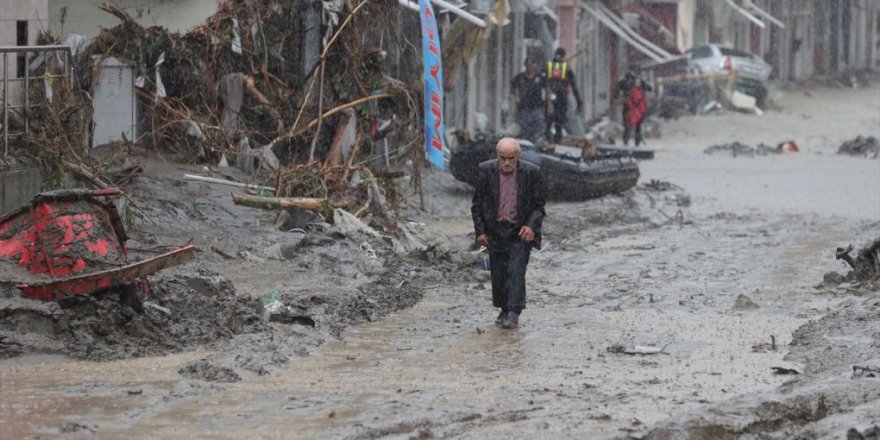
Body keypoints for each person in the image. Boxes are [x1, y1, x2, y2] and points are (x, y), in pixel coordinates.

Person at [471, 138, 546, 329]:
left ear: (518, 157)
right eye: (503, 158)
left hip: (519, 230)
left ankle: (514, 312)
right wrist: (480, 232)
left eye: (511, 158)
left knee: (516, 269)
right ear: (497, 156)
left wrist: (530, 226)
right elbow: (477, 204)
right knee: (499, 271)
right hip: (495, 229)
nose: (507, 163)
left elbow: (539, 206)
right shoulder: (485, 171)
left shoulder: (531, 173)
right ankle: (503, 308)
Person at [545, 48, 584, 143]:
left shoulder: (548, 66)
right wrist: (579, 102)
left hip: (549, 99)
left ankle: (547, 141)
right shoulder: (567, 68)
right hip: (562, 99)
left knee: (548, 123)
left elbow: (542, 84)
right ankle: (556, 142)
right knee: (559, 124)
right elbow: (574, 86)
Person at [511, 57, 549, 142]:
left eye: (531, 65)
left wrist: (549, 104)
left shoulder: (540, 77)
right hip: (524, 108)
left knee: (539, 131)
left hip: (537, 108)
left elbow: (547, 89)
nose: (530, 67)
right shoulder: (519, 78)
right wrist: (517, 97)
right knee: (525, 131)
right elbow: (514, 87)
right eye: (528, 65)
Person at [623, 73, 648, 147]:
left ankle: (632, 141)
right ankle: (629, 141)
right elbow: (637, 102)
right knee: (632, 127)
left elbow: (642, 103)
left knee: (633, 127)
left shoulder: (639, 92)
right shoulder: (637, 92)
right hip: (635, 112)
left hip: (637, 112)